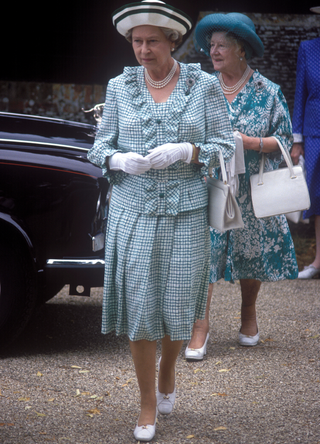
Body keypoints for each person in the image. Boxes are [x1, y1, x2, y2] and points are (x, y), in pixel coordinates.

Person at [87, 1, 235, 441]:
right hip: (132, 214)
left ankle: (168, 369)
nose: (144, 50)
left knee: (176, 308)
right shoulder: (119, 87)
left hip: (187, 213)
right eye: (137, 41)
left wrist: (189, 151)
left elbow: (224, 144)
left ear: (173, 41)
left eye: (153, 41)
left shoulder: (202, 85)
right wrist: (117, 158)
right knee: (139, 309)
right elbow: (98, 149)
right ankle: (147, 402)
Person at [184, 12, 299, 360]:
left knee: (252, 256)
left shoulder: (268, 92)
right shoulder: (202, 88)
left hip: (252, 189)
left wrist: (250, 143)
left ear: (241, 50)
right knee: (206, 255)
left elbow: (284, 142)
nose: (212, 51)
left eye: (221, 46)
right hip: (212, 185)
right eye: (211, 45)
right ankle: (199, 328)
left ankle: (248, 313)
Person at [291, 6, 320, 279]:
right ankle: (318, 261)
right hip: (314, 134)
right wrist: (296, 139)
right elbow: (300, 93)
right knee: (318, 199)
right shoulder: (308, 49)